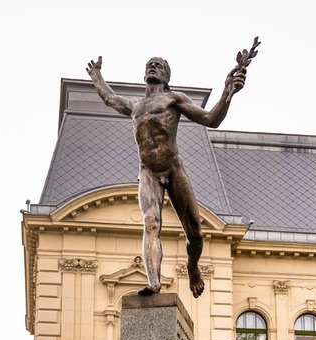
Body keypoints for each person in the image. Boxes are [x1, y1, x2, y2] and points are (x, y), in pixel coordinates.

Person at [86, 38, 258, 298]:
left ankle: (193, 267)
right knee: (151, 223)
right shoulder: (134, 107)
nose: (152, 66)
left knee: (196, 235)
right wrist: (96, 75)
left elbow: (211, 119)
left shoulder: (173, 99)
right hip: (148, 172)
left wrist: (228, 92)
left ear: (166, 77)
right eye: (150, 64)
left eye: (158, 65)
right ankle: (154, 282)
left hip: (173, 169)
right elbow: (110, 98)